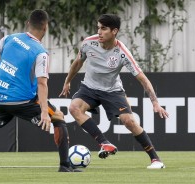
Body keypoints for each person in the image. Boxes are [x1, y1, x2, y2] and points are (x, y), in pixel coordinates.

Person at [0, 9, 81, 172]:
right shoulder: (41, 53)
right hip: (22, 101)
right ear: (45, 27)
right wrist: (43, 112)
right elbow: (42, 84)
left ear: (28, 24)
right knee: (58, 117)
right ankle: (64, 166)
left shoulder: (10, 38)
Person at [59, 14, 169, 169]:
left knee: (129, 121)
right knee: (74, 108)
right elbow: (78, 61)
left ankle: (156, 159)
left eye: (103, 29)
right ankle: (104, 143)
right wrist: (67, 81)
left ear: (114, 31)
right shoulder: (88, 43)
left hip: (112, 91)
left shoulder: (122, 52)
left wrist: (155, 103)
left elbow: (142, 78)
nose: (99, 32)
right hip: (89, 88)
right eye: (98, 28)